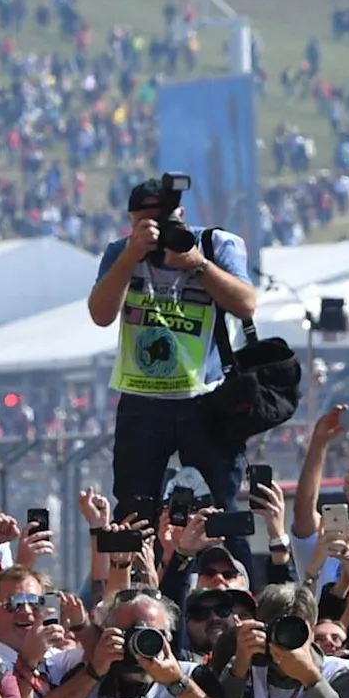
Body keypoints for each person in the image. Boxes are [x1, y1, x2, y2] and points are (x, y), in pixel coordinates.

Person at [84, 175, 259, 518]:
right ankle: (140, 570)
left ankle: (219, 570)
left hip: (205, 396)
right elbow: (101, 314)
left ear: (180, 214)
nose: (157, 233)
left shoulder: (214, 244)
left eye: (164, 222)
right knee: (136, 509)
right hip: (142, 399)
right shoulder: (121, 253)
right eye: (145, 224)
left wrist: (197, 265)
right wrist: (131, 255)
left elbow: (246, 304)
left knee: (217, 509)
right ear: (132, 222)